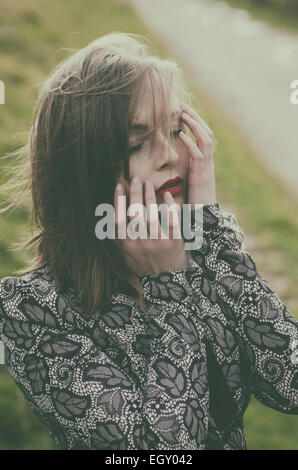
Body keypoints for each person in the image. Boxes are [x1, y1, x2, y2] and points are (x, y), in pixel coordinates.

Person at [0, 32, 297, 451]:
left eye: (176, 130)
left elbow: (291, 383)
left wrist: (208, 229)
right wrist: (169, 288)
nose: (170, 155)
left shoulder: (202, 256)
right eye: (137, 142)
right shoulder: (31, 310)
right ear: (82, 173)